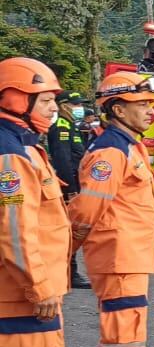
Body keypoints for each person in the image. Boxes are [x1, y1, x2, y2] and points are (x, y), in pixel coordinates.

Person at [0, 58, 90, 347]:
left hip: (34, 284)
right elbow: (14, 231)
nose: (55, 106)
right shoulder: (10, 153)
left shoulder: (23, 144)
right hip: (21, 288)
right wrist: (38, 286)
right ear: (16, 99)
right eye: (46, 99)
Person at [68, 71, 154, 347]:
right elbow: (86, 210)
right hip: (117, 256)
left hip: (128, 255)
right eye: (142, 105)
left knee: (129, 331)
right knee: (120, 334)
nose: (150, 111)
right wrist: (66, 252)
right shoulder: (111, 151)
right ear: (119, 109)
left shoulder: (127, 145)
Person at [45, 90, 90, 290]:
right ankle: (69, 273)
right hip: (67, 187)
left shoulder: (71, 126)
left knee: (70, 229)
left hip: (75, 183)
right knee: (68, 230)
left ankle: (68, 272)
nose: (79, 108)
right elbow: (63, 161)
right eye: (75, 104)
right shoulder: (61, 127)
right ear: (63, 106)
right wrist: (70, 189)